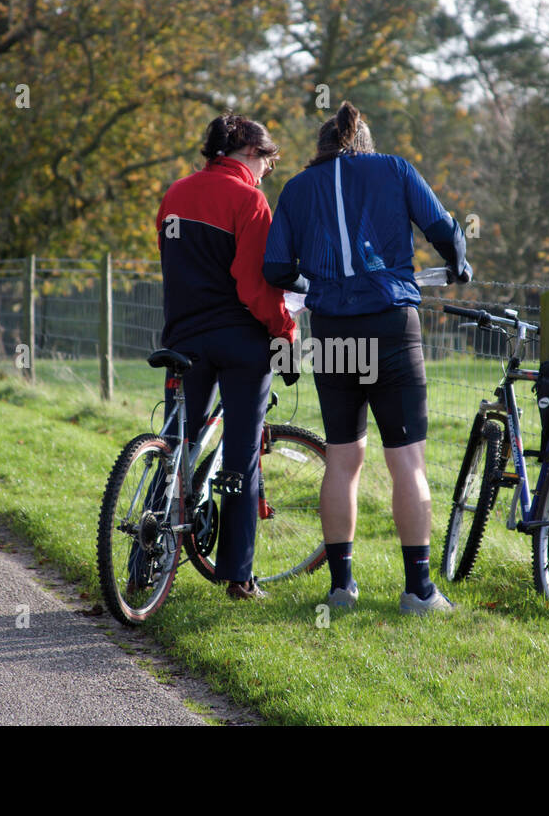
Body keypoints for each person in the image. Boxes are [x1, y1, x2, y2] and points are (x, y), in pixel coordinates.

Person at [262, 102, 471, 615]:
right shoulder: (394, 168)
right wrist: (457, 263)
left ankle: (341, 587)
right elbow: (443, 229)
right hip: (391, 326)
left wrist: (316, 285)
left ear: (322, 145)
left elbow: (275, 268)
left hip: (333, 330)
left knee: (343, 457)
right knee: (406, 460)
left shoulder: (296, 188)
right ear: (364, 141)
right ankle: (419, 591)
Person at [156, 113, 296, 600]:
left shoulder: (174, 194)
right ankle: (237, 576)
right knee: (240, 458)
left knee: (175, 447)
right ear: (251, 154)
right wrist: (286, 332)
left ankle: (144, 563)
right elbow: (256, 287)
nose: (266, 173)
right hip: (238, 342)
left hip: (181, 341)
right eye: (268, 163)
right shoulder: (248, 200)